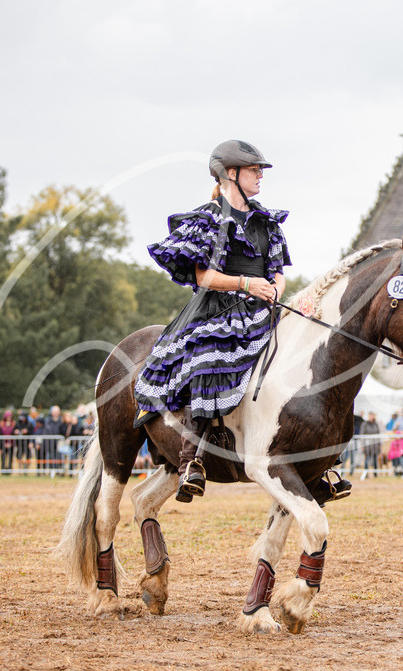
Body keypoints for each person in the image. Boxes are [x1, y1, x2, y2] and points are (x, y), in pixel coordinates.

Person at [132, 140, 349, 505]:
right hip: (216, 308)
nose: (260, 175)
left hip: (263, 307)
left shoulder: (266, 222)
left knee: (306, 356)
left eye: (260, 170)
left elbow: (277, 273)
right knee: (210, 354)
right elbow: (202, 276)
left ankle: (317, 462)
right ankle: (192, 460)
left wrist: (275, 292)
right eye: (254, 170)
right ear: (230, 174)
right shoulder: (207, 219)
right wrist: (247, 284)